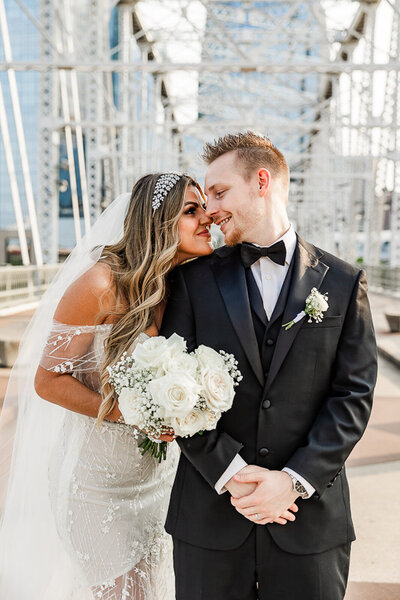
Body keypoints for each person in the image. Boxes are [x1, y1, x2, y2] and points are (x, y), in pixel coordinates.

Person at [160, 131, 378, 600]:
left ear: (262, 181)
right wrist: (233, 475)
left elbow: (353, 395)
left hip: (310, 523)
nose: (211, 208)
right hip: (209, 519)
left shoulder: (343, 281)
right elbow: (170, 388)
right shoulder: (189, 282)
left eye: (219, 192)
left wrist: (293, 482)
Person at [0, 173, 213, 600]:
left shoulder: (186, 287)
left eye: (205, 207)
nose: (208, 218)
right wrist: (131, 412)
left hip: (157, 481)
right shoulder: (99, 284)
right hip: (95, 486)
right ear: (158, 224)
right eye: (191, 211)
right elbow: (47, 381)